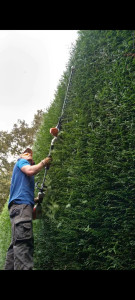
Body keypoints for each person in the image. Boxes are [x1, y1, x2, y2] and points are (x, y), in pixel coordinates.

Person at [5, 148, 52, 270]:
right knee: (23, 244)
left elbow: (22, 194)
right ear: (21, 156)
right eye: (26, 153)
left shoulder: (23, 176)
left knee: (15, 247)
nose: (29, 155)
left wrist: (36, 200)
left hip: (19, 208)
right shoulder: (22, 163)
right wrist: (43, 163)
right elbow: (30, 171)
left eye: (30, 153)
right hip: (21, 208)